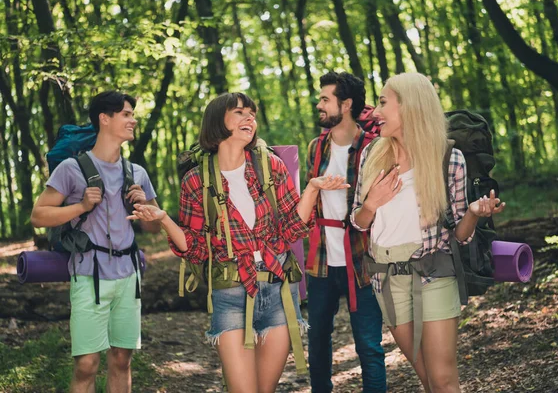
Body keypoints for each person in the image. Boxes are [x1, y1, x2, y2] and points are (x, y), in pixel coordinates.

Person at [129, 92, 349, 393]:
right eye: (240, 112)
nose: (250, 118)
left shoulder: (270, 166)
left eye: (252, 113)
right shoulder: (196, 180)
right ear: (218, 123)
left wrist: (311, 190)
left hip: (279, 288)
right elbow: (196, 248)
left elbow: (290, 230)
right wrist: (166, 220)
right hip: (231, 292)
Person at [351, 72, 506, 393]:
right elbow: (359, 221)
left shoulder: (449, 158)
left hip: (433, 272)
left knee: (444, 379)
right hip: (386, 278)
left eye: (382, 103)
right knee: (426, 378)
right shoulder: (371, 155)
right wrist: (371, 204)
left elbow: (461, 236)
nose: (375, 112)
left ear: (410, 107)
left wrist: (475, 214)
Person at [31, 91, 161, 393]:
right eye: (126, 114)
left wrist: (145, 209)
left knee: (121, 359)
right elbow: (38, 216)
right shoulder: (72, 169)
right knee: (86, 363)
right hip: (89, 274)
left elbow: (155, 230)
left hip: (129, 276)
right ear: (105, 118)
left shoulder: (137, 173)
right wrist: (80, 207)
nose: (133, 119)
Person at [305, 72, 386, 393]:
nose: (319, 104)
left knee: (369, 345)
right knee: (317, 343)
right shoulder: (315, 147)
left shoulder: (374, 147)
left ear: (346, 104)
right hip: (322, 262)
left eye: (325, 99)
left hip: (362, 259)